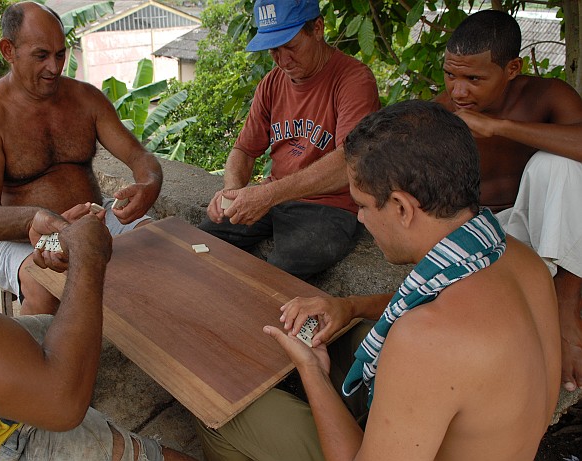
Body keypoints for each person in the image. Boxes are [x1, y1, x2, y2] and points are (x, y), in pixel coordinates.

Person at [0, 2, 195, 460]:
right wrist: (88, 256)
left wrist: (32, 218)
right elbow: (60, 403)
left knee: (76, 319)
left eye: (61, 54)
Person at [195, 100, 561, 460]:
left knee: (221, 412)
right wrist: (349, 306)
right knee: (355, 336)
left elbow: (430, 334)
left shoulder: (426, 342)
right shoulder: (518, 259)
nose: (360, 219)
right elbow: (432, 302)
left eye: (363, 205)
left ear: (402, 208)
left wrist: (312, 373)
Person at [0, 1, 163, 315]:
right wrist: (48, 228)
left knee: (160, 248)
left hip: (95, 215)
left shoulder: (85, 98)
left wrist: (149, 183)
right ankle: (28, 362)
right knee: (46, 290)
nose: (54, 68)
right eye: (41, 55)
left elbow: (139, 156)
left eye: (60, 54)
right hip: (18, 236)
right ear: (7, 50)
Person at [432, 10, 582, 392]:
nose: (459, 91)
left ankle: (566, 309)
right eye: (451, 75)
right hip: (490, 234)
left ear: (512, 68)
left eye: (474, 79)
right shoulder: (445, 109)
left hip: (549, 232)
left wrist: (500, 127)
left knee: (558, 166)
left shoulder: (547, 94)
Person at [199, 0, 380, 280]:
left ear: (317, 28)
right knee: (203, 243)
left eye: (291, 47)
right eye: (274, 50)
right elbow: (244, 150)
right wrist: (231, 192)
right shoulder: (271, 83)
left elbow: (350, 162)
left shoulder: (354, 80)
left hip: (329, 207)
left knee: (279, 274)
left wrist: (269, 194)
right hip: (275, 196)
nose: (283, 61)